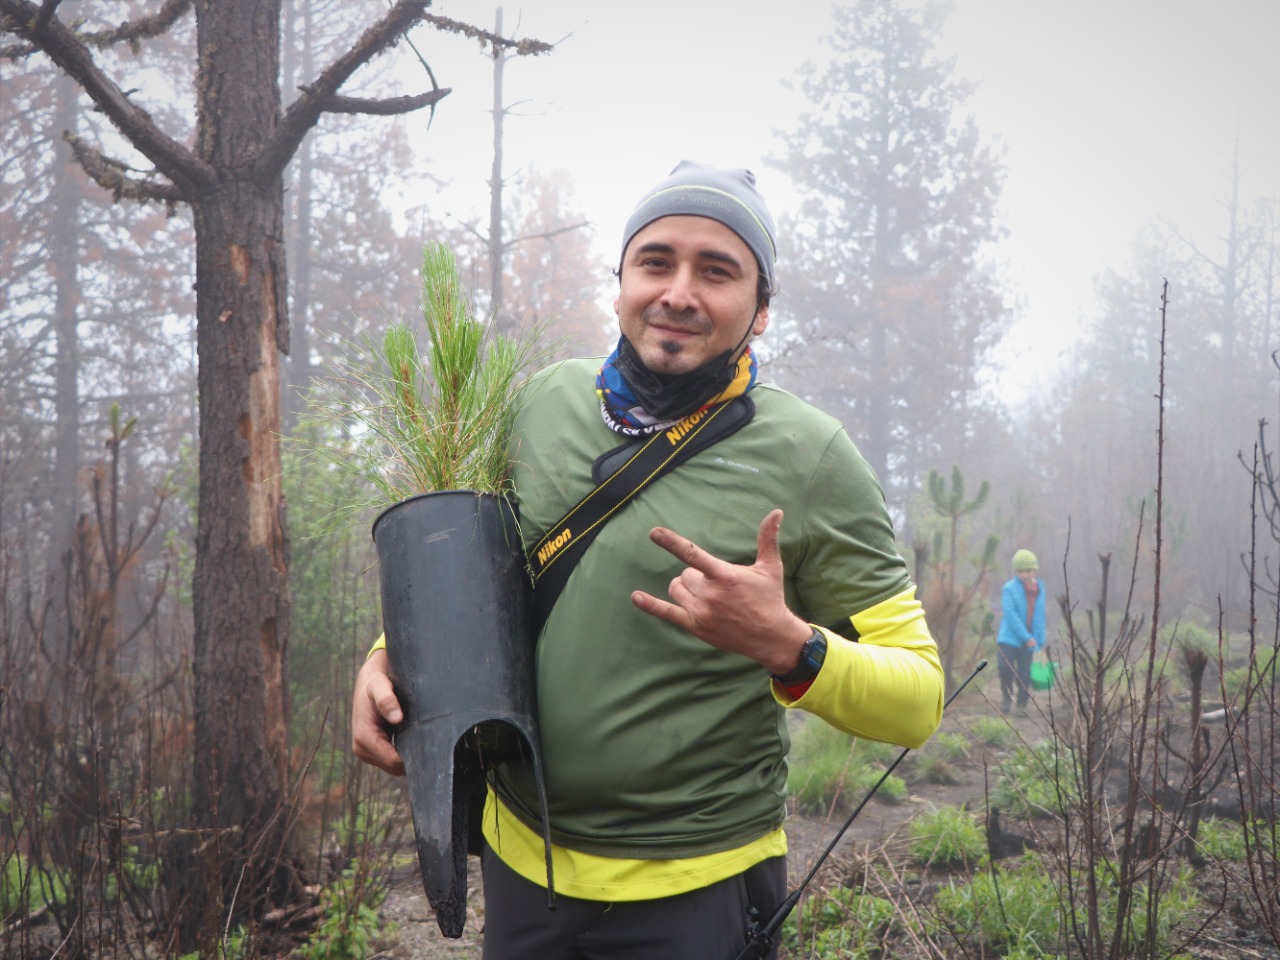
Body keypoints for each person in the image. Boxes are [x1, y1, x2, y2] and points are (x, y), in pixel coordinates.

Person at [352, 160, 945, 959]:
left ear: (761, 310)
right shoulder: (538, 405)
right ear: (622, 280)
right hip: (526, 862)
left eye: (718, 271)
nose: (678, 292)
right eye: (656, 261)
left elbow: (918, 701)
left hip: (697, 888)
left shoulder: (811, 458)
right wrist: (385, 660)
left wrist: (789, 646)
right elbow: (470, 581)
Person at [996, 548, 1046, 716]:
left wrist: (1039, 640)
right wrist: (1026, 637)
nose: (1026, 574)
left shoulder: (1040, 589)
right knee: (1005, 668)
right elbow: (1011, 615)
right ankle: (1006, 696)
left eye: (1029, 570)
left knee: (1025, 674)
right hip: (1009, 638)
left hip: (1031, 640)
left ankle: (1022, 703)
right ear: (1017, 572)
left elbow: (1039, 615)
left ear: (1035, 570)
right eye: (1022, 571)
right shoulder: (1009, 589)